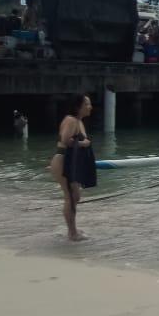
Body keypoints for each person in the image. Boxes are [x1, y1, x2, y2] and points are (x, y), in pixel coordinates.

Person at [49, 94, 96, 241]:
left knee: (75, 196)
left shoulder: (79, 121)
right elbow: (65, 140)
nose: (90, 107)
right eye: (87, 104)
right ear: (78, 106)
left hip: (70, 162)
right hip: (63, 160)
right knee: (71, 196)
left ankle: (72, 229)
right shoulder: (71, 120)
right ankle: (72, 233)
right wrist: (84, 143)